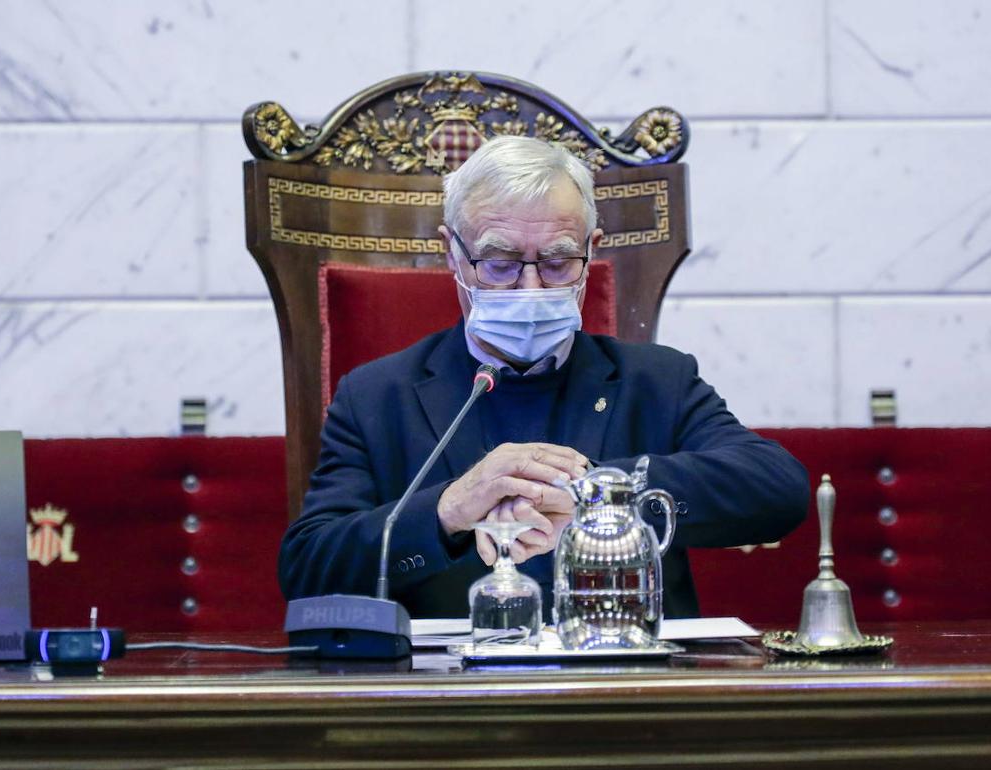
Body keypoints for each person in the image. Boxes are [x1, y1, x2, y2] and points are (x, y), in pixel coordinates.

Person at [278, 135, 808, 619]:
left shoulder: (655, 380)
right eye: (500, 262)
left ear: (591, 249)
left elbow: (777, 489)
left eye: (556, 262)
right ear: (453, 254)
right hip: (449, 698)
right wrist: (448, 510)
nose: (529, 286)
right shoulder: (377, 396)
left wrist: (597, 491)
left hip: (626, 688)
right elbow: (307, 569)